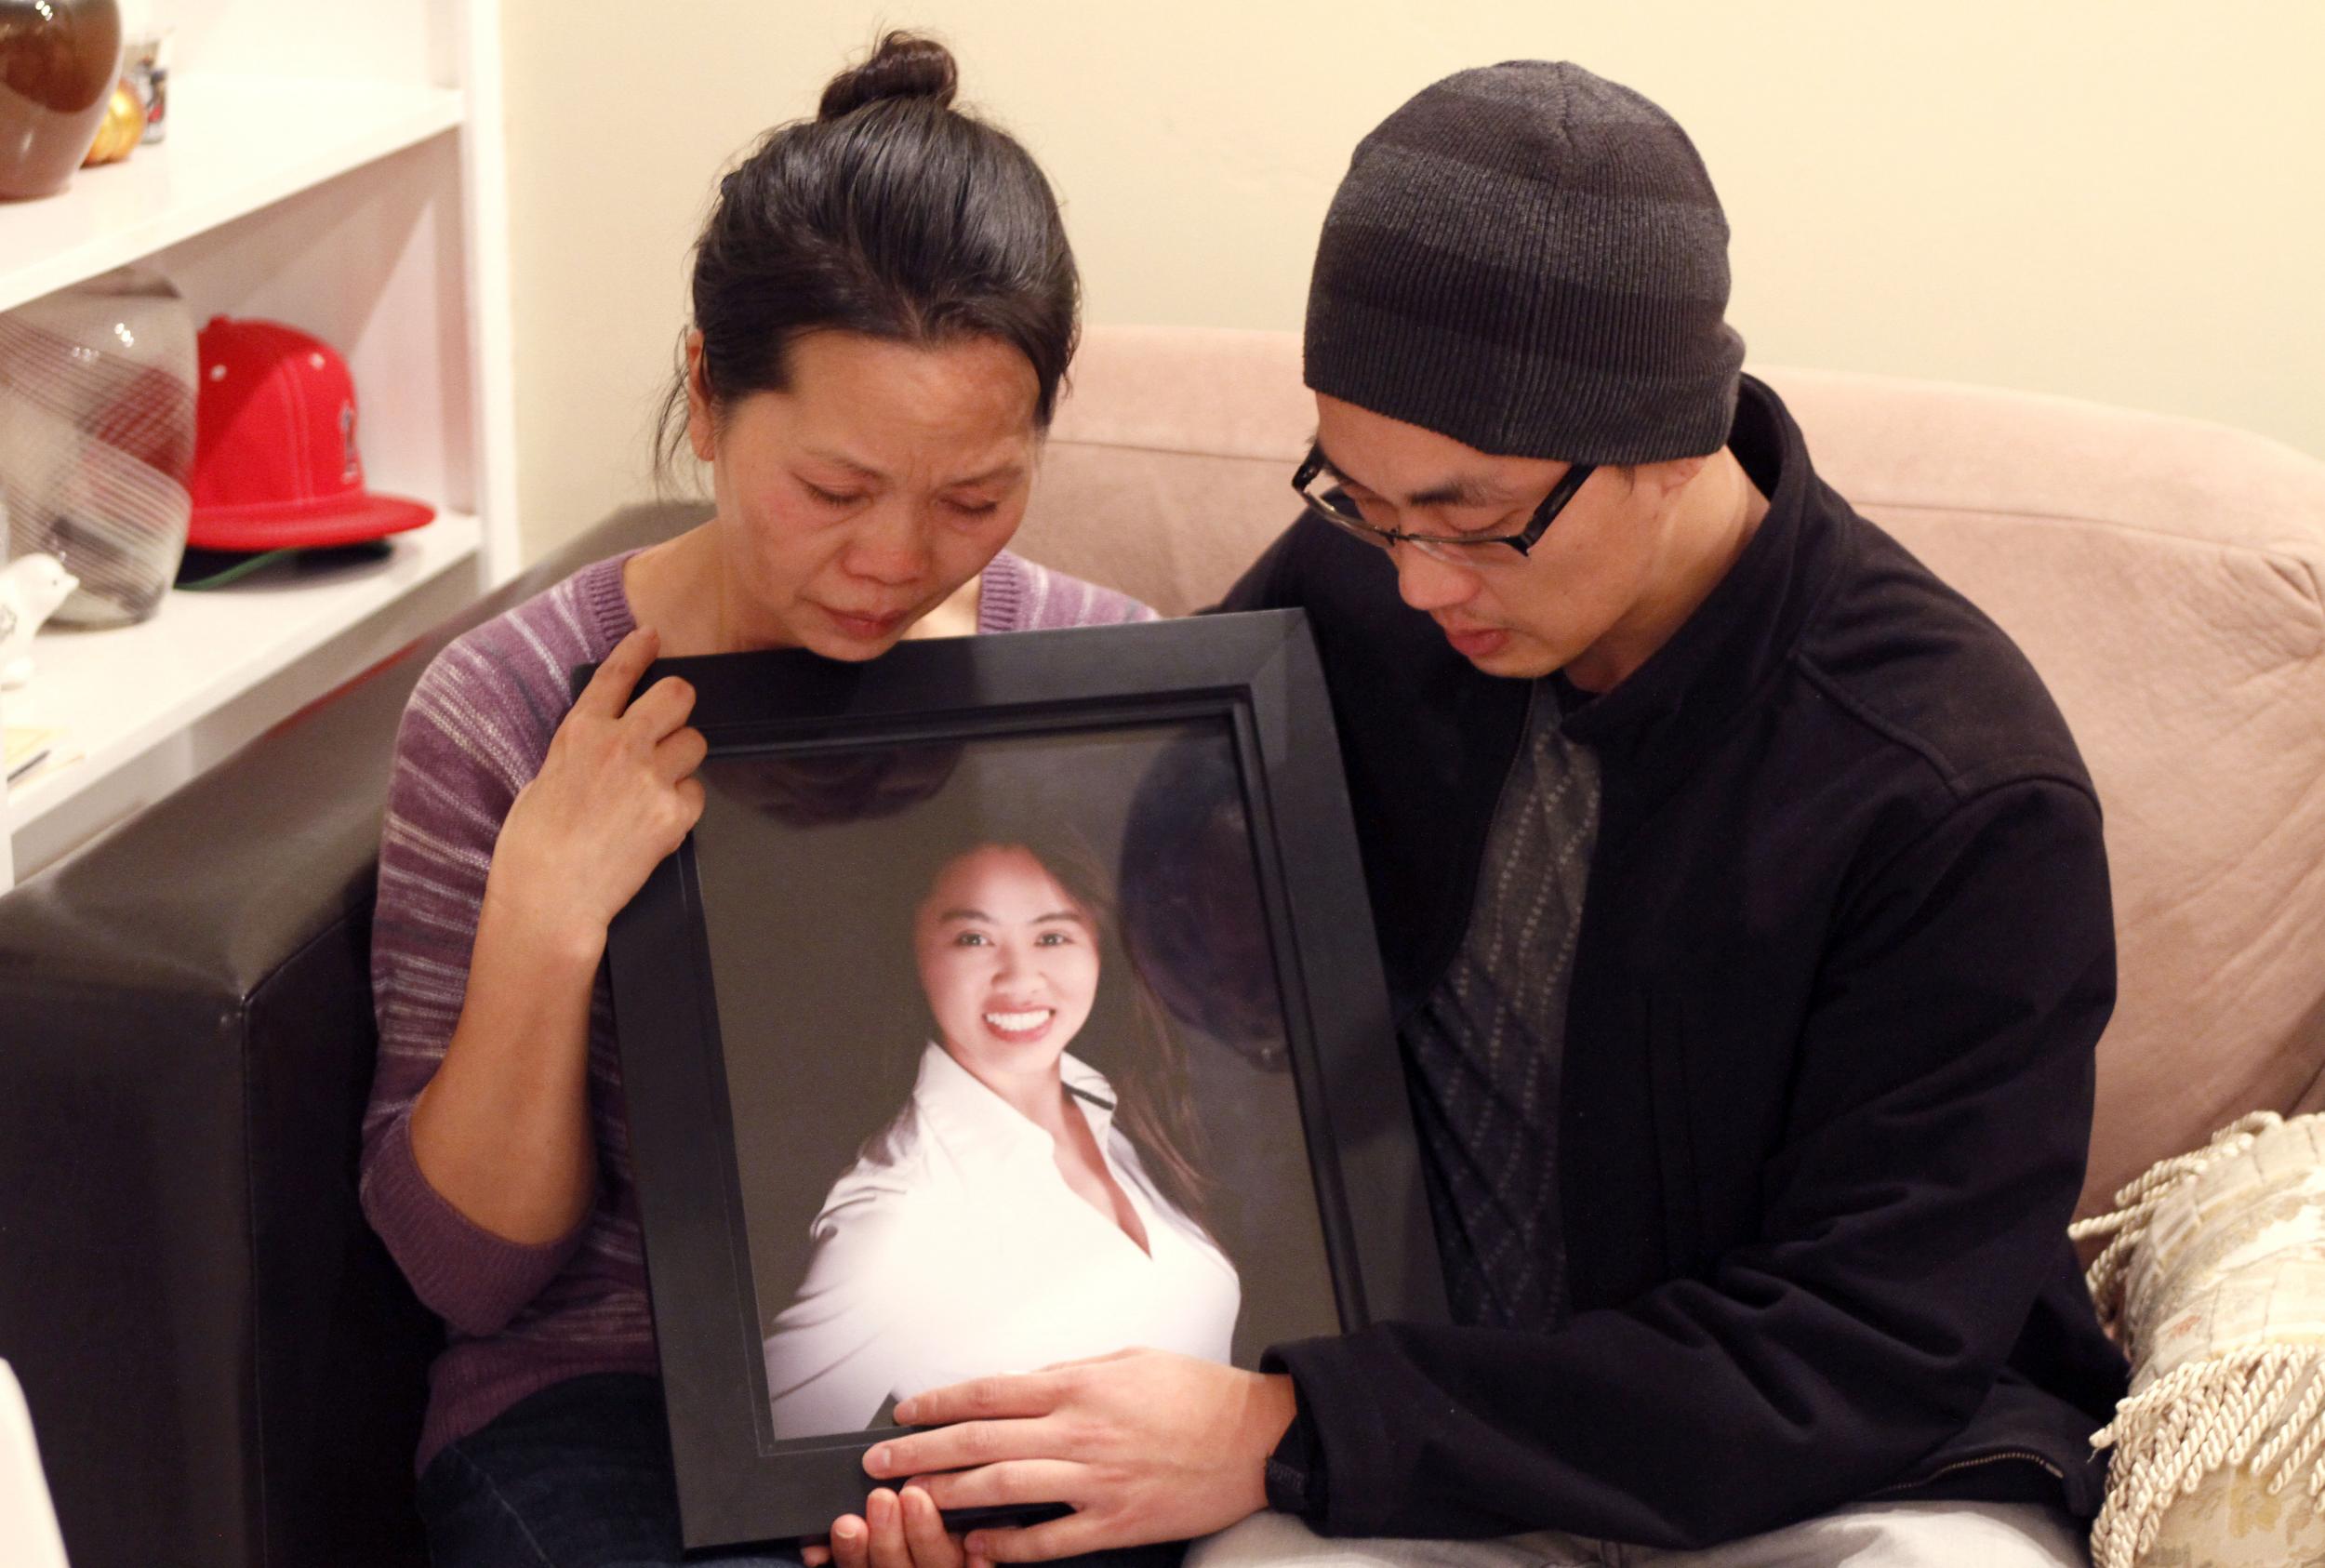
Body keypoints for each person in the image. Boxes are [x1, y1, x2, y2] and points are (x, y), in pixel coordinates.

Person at [832, 60, 2131, 1568]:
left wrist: (1291, 1427)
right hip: (1429, 1466)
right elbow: (1114, 901)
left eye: (1469, 519)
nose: (1417, 582)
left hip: (1860, 1483)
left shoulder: (1956, 790)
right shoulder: (1359, 602)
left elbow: (1850, 1359)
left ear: (1666, 438)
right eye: (1362, 502)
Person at [356, 33, 1156, 1568]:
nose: (898, 558)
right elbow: (466, 1277)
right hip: (613, 1398)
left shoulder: (1106, 687)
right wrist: (544, 911)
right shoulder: (516, 706)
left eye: (975, 497)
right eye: (837, 489)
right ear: (708, 398)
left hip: (1021, 1378)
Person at [763, 828, 1240, 1440]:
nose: (1020, 977)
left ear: (1100, 947)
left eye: (1051, 936)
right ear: (912, 955)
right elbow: (758, 1480)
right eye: (973, 938)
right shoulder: (903, 1212)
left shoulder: (1114, 1112)